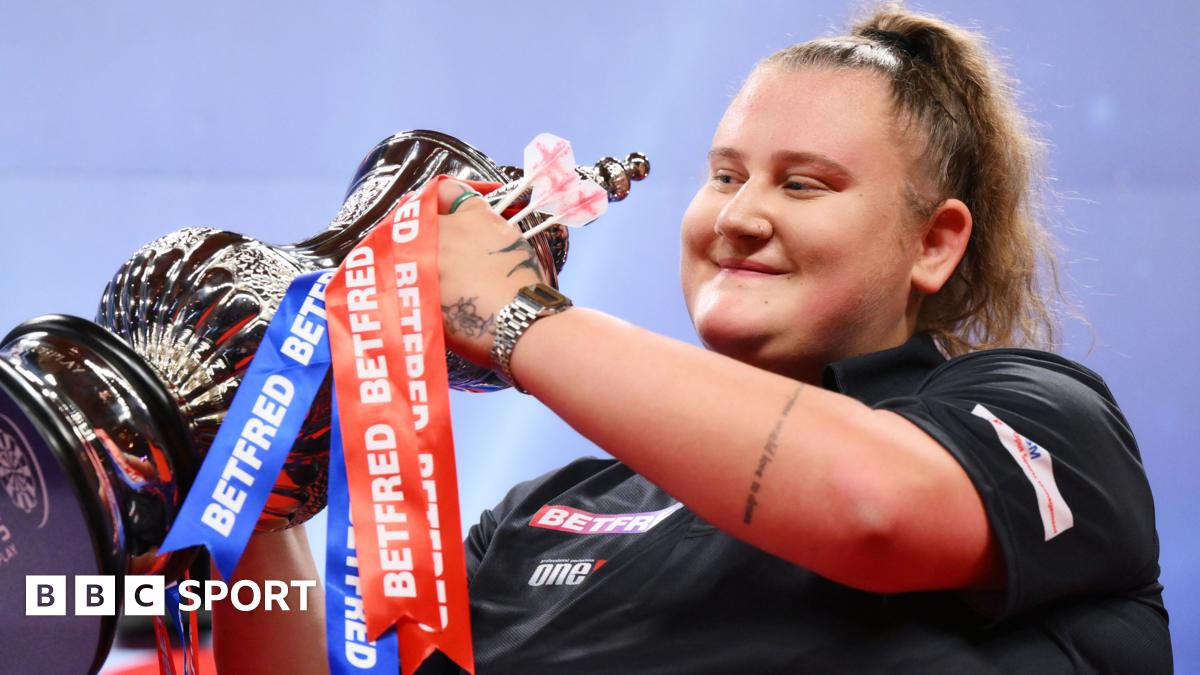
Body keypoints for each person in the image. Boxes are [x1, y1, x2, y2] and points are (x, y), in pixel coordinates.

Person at [213, 5, 1171, 673]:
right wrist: (255, 469)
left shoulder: (1041, 417)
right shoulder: (539, 517)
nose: (740, 216)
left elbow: (871, 505)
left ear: (934, 243)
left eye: (804, 185)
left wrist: (513, 317)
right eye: (724, 175)